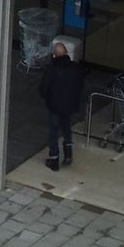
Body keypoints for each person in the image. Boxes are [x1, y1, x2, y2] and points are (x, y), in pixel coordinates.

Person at [39, 41, 83, 171]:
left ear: (54, 55)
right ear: (66, 53)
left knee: (53, 131)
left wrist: (48, 98)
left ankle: (54, 159)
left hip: (54, 105)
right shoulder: (75, 68)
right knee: (66, 128)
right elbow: (80, 85)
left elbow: (43, 88)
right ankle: (68, 154)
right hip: (69, 105)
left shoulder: (51, 70)